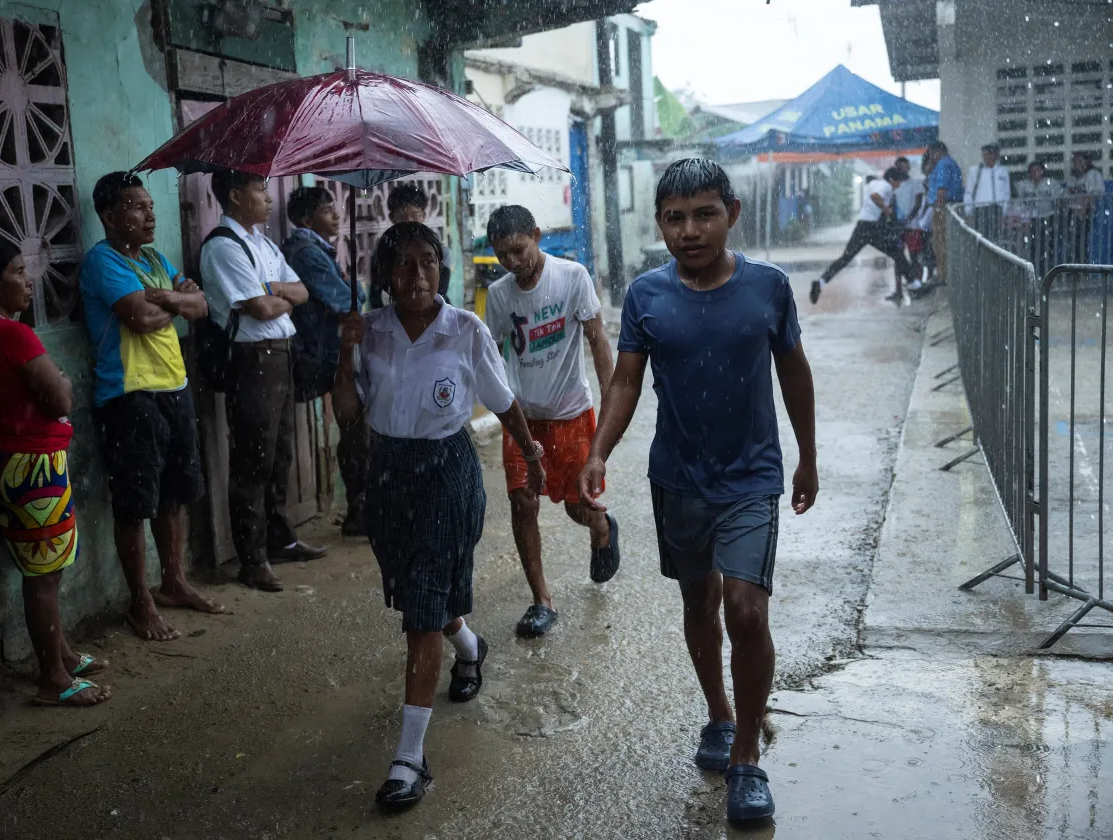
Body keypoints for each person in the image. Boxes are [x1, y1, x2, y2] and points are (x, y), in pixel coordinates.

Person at [578, 159, 818, 824]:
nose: (690, 229)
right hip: (678, 478)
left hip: (751, 477)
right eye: (675, 218)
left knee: (745, 610)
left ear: (731, 215)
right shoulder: (648, 295)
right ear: (660, 224)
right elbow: (625, 381)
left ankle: (746, 754)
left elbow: (794, 371)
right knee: (699, 602)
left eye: (704, 213)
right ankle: (717, 712)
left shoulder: (768, 288)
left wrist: (807, 458)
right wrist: (599, 450)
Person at [333, 222, 546, 813]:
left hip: (447, 476)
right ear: (384, 276)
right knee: (415, 594)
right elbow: (348, 414)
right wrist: (344, 347)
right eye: (403, 264)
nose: (417, 275)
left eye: (428, 261)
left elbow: (503, 401)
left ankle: (409, 759)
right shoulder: (368, 332)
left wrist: (531, 454)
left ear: (443, 269)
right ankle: (471, 646)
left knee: (421, 614)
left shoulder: (465, 329)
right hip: (387, 478)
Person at [0, 235, 111, 707]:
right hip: (31, 462)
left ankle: (61, 654)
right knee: (43, 574)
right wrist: (59, 378)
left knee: (48, 565)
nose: (28, 279)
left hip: (15, 460)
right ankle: (53, 679)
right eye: (18, 271)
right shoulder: (11, 334)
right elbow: (61, 398)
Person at [79, 171, 224, 642]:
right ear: (108, 216)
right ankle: (140, 603)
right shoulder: (102, 261)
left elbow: (203, 304)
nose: (150, 214)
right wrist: (175, 303)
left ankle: (174, 582)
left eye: (150, 206)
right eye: (136, 207)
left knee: (174, 492)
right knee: (134, 502)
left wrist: (173, 298)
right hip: (129, 392)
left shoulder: (156, 258)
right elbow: (140, 318)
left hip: (173, 385)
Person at [483, 205, 620, 638]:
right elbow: (490, 356)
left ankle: (603, 528)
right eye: (503, 255)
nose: (512, 262)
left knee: (579, 507)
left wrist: (612, 408)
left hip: (571, 415)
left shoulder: (572, 277)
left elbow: (598, 341)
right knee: (523, 504)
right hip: (523, 420)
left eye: (519, 250)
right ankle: (541, 601)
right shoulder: (501, 295)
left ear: (537, 236)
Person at [200, 170, 324, 592]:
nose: (268, 198)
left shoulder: (263, 243)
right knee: (253, 458)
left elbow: (302, 292)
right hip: (252, 360)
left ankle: (279, 538)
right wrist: (275, 295)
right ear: (235, 195)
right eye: (258, 190)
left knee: (279, 452)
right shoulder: (223, 246)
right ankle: (251, 559)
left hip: (280, 357)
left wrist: (275, 290)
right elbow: (260, 308)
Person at [283, 186, 369, 536]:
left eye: (335, 208)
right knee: (355, 429)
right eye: (326, 209)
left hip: (324, 351)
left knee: (355, 429)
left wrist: (352, 290)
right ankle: (359, 508)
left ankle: (359, 507)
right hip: (321, 354)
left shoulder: (315, 250)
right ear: (306, 218)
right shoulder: (307, 253)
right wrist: (354, 289)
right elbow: (346, 300)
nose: (336, 215)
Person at [810, 167, 918, 304]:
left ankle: (820, 283)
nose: (898, 186)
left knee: (845, 258)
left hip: (861, 226)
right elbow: (874, 197)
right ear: (892, 180)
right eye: (898, 182)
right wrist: (886, 209)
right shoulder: (886, 187)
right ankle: (916, 285)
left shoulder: (874, 183)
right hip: (872, 228)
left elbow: (871, 193)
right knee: (896, 253)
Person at [370, 183, 451, 308]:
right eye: (401, 216)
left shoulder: (440, 251)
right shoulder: (384, 251)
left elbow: (440, 292)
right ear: (392, 217)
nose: (409, 221)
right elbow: (376, 295)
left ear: (423, 215)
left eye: (415, 215)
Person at [925, 141, 963, 285]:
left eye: (932, 154)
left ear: (937, 152)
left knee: (940, 242)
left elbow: (942, 189)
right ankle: (945, 274)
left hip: (943, 207)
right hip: (950, 206)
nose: (931, 158)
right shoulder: (951, 163)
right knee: (945, 242)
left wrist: (939, 209)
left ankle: (943, 275)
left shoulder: (943, 164)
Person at [891, 158, 928, 297]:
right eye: (899, 167)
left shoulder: (915, 184)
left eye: (904, 166)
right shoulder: (893, 185)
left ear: (908, 168)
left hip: (912, 227)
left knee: (914, 257)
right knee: (898, 258)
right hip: (898, 227)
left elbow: (918, 204)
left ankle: (917, 286)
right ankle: (898, 290)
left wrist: (908, 219)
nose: (902, 169)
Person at [1066, 150, 1105, 263]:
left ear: (1087, 162)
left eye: (1080, 161)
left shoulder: (1093, 174)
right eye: (1075, 161)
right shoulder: (1072, 179)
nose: (1077, 163)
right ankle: (1074, 267)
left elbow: (1094, 195)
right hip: (1073, 215)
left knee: (1083, 242)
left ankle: (1083, 267)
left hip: (1088, 215)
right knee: (1073, 243)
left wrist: (1084, 207)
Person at [965, 143, 1011, 235]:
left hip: (997, 209)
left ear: (996, 155)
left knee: (996, 236)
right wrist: (968, 212)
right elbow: (969, 192)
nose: (989, 156)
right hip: (980, 209)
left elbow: (1006, 192)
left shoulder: (1003, 171)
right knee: (981, 236)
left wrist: (1004, 211)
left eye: (992, 153)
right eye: (986, 153)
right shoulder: (975, 171)